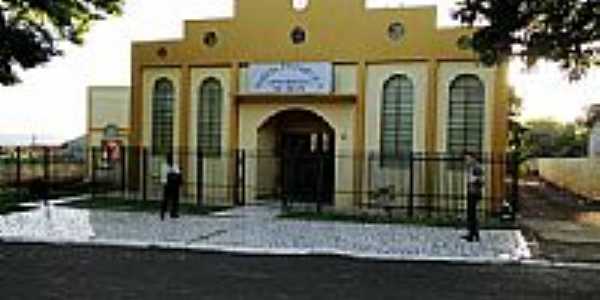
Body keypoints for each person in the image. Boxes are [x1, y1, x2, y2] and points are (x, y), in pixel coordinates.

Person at [462, 151, 484, 242]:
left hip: (474, 193)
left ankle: (473, 234)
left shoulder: (476, 167)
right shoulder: (472, 167)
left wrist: (472, 180)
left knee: (472, 214)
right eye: (465, 159)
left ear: (472, 158)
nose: (466, 160)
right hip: (472, 191)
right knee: (471, 214)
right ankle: (473, 233)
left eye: (467, 158)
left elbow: (478, 180)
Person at [160, 152, 182, 220]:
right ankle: (163, 212)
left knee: (175, 200)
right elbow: (163, 176)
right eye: (169, 158)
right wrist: (164, 182)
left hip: (174, 185)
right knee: (166, 199)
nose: (170, 160)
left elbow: (178, 173)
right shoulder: (164, 166)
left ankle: (173, 212)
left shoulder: (175, 165)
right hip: (168, 185)